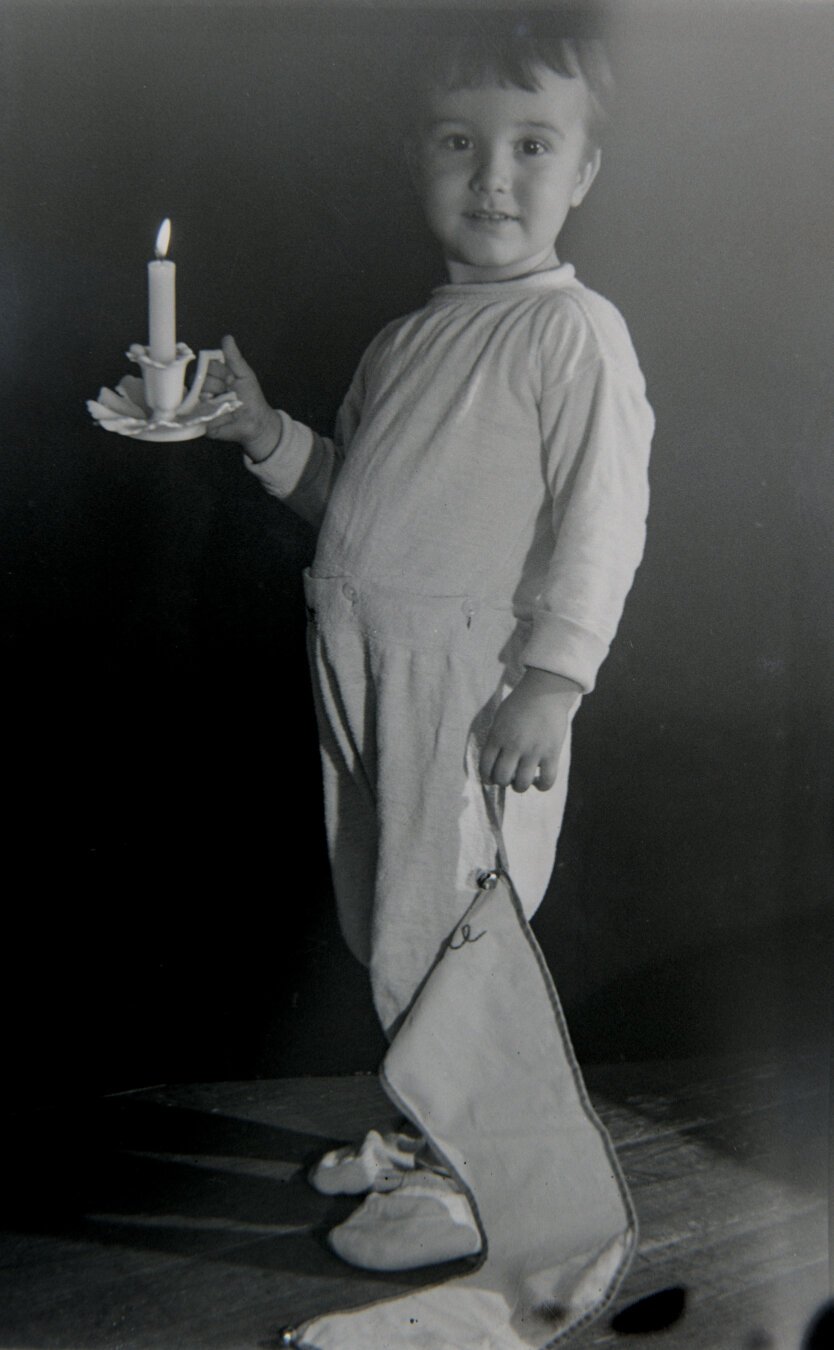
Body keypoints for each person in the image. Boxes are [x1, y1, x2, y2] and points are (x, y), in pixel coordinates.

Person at [203, 15, 654, 1278]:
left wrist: (553, 683)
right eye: (461, 142)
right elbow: (356, 493)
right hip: (360, 667)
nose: (493, 177)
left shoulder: (574, 334)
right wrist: (260, 433)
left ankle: (472, 1186)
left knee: (448, 943)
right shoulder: (406, 340)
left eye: (531, 145)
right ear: (420, 160)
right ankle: (424, 1133)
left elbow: (604, 524)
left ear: (585, 173)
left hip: (465, 691)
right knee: (386, 926)